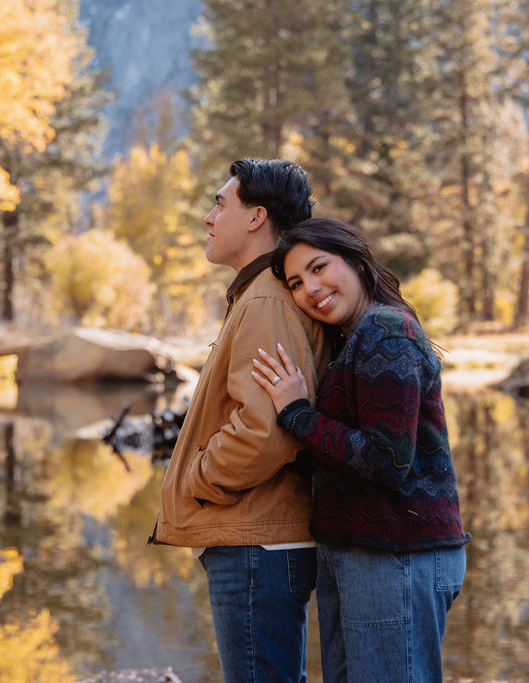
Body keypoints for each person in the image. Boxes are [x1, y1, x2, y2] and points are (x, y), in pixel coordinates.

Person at [251, 217, 469, 683]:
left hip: (395, 553)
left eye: (318, 267)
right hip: (361, 552)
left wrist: (295, 414)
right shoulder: (356, 338)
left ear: (355, 260)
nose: (311, 287)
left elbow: (387, 459)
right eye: (296, 282)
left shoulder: (385, 332)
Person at [151, 159, 330, 683]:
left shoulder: (267, 302)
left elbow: (264, 430)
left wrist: (199, 479)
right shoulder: (259, 297)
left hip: (256, 545)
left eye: (219, 203)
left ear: (256, 217)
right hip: (258, 541)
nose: (209, 217)